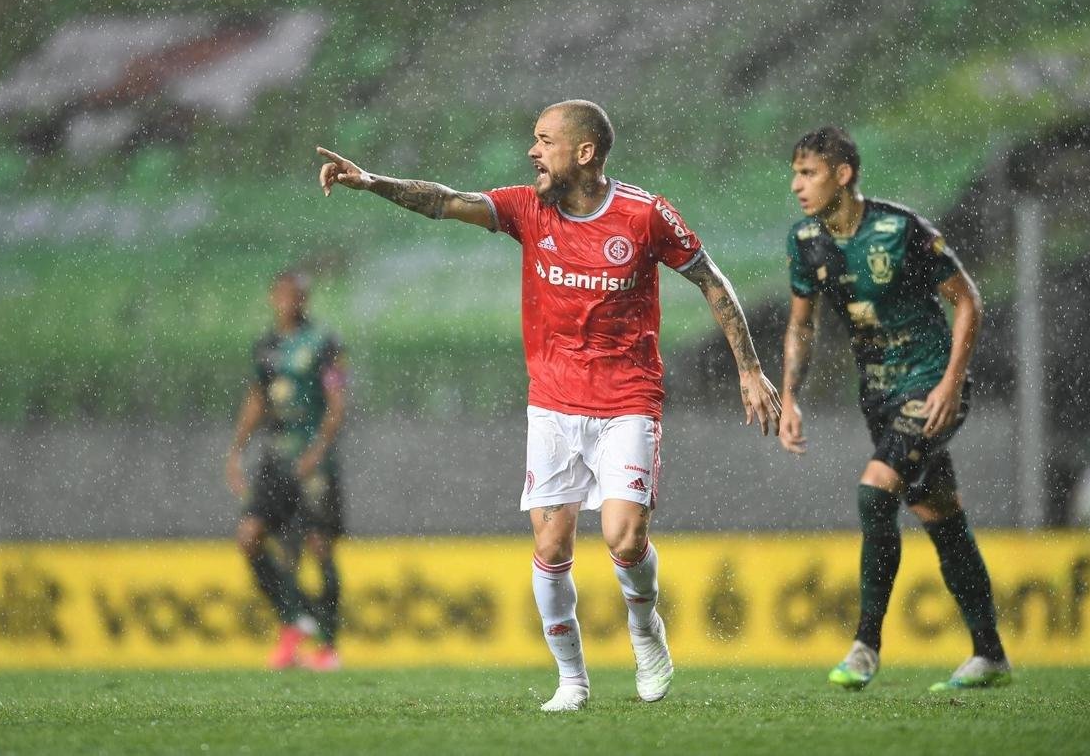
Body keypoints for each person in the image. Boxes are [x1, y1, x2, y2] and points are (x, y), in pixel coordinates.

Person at [315, 99, 781, 711]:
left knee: (622, 536)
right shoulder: (527, 208)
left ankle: (646, 634)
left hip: (627, 400)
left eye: (544, 141)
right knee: (553, 546)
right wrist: (373, 182)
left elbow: (711, 279)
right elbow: (445, 201)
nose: (533, 152)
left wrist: (749, 369)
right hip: (554, 404)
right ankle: (572, 679)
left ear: (584, 153)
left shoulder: (646, 215)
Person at [778, 126, 1011, 692]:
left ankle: (865, 646)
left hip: (930, 386)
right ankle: (990, 656)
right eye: (795, 173)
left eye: (808, 173)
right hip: (879, 395)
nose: (797, 185)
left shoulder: (899, 229)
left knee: (874, 491)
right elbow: (801, 325)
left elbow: (967, 300)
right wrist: (789, 396)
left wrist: (951, 382)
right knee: (941, 516)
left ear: (843, 174)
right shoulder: (806, 239)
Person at [226, 270, 348, 671]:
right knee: (251, 537)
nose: (286, 301)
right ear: (271, 297)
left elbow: (336, 402)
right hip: (275, 458)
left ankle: (327, 645)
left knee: (317, 545)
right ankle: (295, 617)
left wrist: (318, 449)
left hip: (311, 460)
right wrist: (237, 449)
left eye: (294, 295)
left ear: (304, 299)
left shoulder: (324, 343)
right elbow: (258, 399)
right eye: (280, 294)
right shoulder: (266, 347)